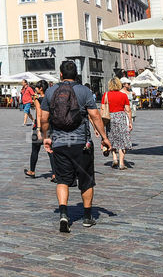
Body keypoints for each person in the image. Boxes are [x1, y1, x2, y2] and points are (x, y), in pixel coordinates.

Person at [40, 60, 112, 232]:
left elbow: (43, 119)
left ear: (61, 74)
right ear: (76, 75)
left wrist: (46, 137)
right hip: (82, 143)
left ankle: (64, 214)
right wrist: (104, 137)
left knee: (62, 180)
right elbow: (95, 116)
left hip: (59, 143)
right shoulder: (84, 91)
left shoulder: (50, 91)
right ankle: (87, 217)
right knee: (86, 181)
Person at [25, 81, 55, 181]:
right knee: (51, 151)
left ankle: (32, 171)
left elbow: (39, 114)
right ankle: (55, 174)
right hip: (49, 126)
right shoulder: (50, 98)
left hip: (40, 126)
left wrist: (38, 129)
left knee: (35, 150)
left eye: (37, 87)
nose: (35, 89)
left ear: (41, 88)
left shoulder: (38, 99)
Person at [102, 78, 133, 171]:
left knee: (111, 138)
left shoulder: (106, 95)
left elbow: (103, 109)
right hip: (121, 117)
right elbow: (128, 110)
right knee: (122, 140)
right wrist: (130, 122)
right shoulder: (123, 95)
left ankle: (114, 158)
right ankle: (121, 163)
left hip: (109, 118)